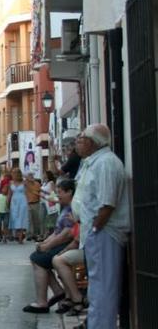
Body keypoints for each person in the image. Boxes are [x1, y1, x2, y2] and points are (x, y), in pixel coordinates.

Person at [71, 124, 131, 329]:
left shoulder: (105, 163)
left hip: (104, 233)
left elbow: (107, 203)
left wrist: (95, 229)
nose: (78, 142)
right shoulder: (94, 163)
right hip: (96, 233)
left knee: (103, 288)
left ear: (93, 142)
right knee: (97, 287)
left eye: (82, 138)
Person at [22, 179, 76, 314]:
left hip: (69, 244)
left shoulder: (74, 208)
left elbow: (67, 234)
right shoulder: (65, 207)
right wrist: (44, 243)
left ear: (70, 192)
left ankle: (43, 301)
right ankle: (57, 292)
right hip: (63, 241)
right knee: (37, 256)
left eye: (60, 193)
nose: (57, 196)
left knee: (38, 259)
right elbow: (58, 232)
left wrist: (48, 245)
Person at [52, 221, 87, 316]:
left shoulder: (78, 215)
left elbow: (77, 240)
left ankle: (76, 298)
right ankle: (70, 296)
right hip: (86, 248)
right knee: (57, 259)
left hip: (90, 249)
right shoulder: (75, 216)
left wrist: (63, 250)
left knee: (58, 260)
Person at [8, 167, 29, 243]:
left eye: (14, 173)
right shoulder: (11, 182)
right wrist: (7, 203)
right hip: (14, 201)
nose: (13, 174)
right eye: (12, 173)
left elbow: (27, 192)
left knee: (21, 217)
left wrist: (28, 202)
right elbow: (9, 194)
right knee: (14, 217)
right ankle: (17, 235)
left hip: (22, 201)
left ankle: (20, 237)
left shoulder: (24, 182)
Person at [25, 172, 44, 240]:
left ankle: (35, 234)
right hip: (28, 203)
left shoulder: (37, 184)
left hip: (36, 203)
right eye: (29, 175)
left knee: (36, 219)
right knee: (29, 220)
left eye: (32, 175)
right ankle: (29, 234)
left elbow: (40, 191)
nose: (31, 177)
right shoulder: (25, 184)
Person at [41, 171, 59, 240]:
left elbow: (52, 192)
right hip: (43, 202)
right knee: (43, 218)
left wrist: (42, 191)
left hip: (49, 202)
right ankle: (45, 233)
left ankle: (48, 233)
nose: (43, 175)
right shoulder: (44, 183)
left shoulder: (51, 183)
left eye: (44, 174)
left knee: (49, 218)